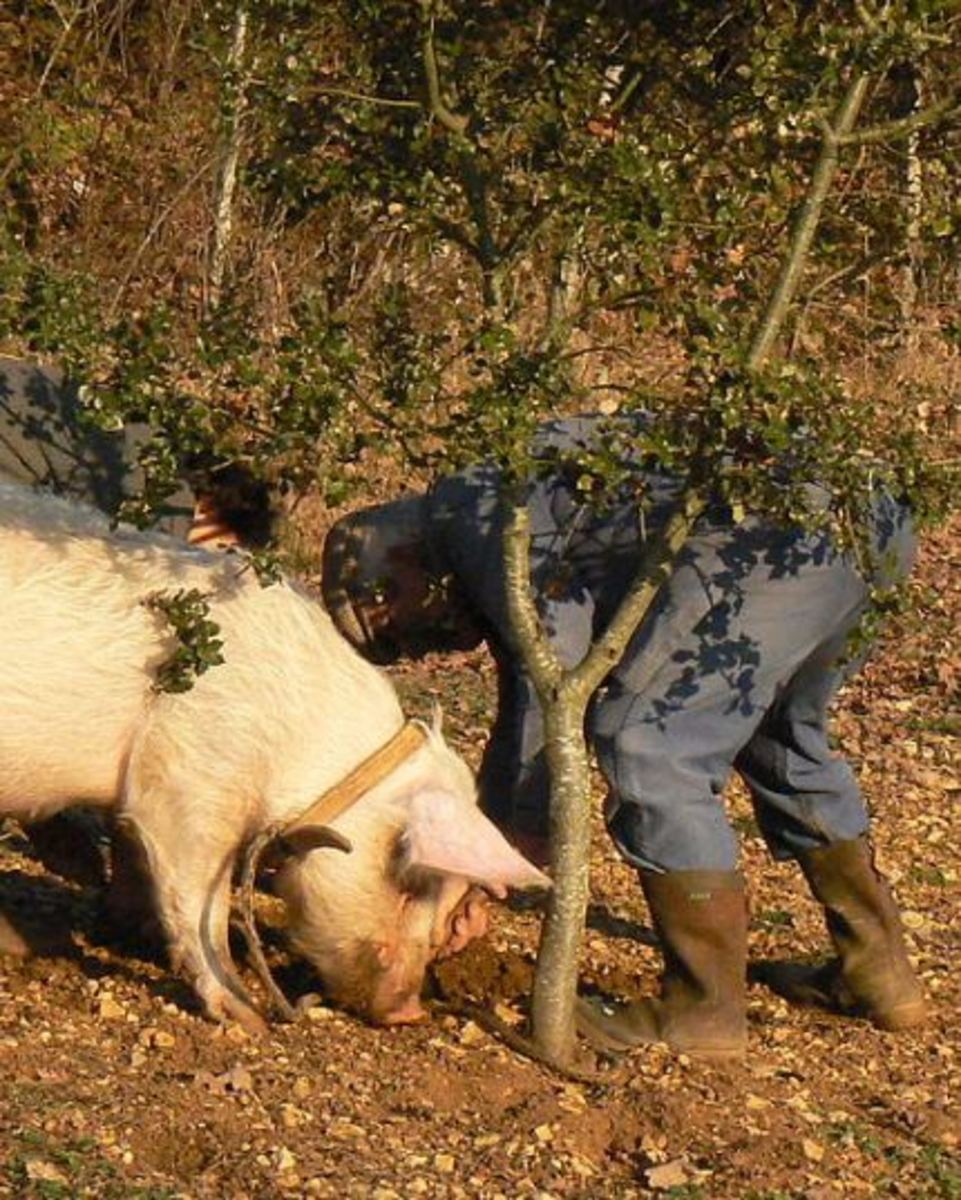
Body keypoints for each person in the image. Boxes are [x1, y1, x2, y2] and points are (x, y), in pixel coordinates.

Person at [319, 412, 927, 1059]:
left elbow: (550, 679)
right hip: (869, 516)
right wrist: (493, 842)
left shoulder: (470, 518)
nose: (425, 647)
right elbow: (528, 692)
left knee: (647, 741)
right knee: (778, 737)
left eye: (397, 631)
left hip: (779, 527)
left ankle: (702, 1011)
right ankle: (878, 974)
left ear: (392, 570)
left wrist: (503, 851)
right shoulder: (483, 504)